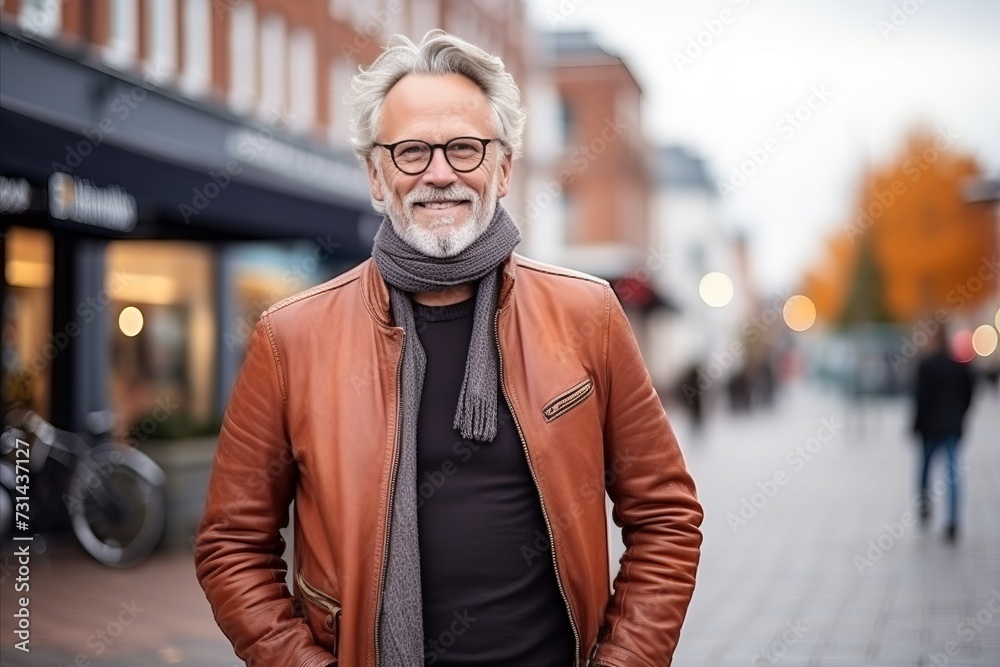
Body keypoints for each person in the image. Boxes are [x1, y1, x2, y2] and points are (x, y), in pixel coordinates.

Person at [195, 30, 703, 667]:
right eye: (410, 152)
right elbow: (231, 543)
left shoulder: (587, 315)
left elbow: (666, 517)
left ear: (503, 168)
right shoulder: (291, 338)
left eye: (465, 148)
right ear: (377, 177)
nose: (439, 173)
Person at [912, 328, 975, 542]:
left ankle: (924, 505)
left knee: (925, 470)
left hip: (930, 427)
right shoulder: (959, 366)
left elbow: (919, 399)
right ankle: (953, 521)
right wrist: (960, 416)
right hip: (951, 426)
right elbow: (969, 393)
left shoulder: (926, 366)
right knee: (952, 475)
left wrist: (915, 425)